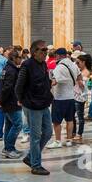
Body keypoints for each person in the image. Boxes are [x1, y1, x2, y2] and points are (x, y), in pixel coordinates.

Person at [16, 41, 54, 175]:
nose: (45, 53)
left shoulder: (43, 64)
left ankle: (30, 157)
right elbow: (19, 86)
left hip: (44, 103)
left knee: (48, 132)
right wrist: (21, 100)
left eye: (46, 50)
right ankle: (36, 165)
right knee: (35, 136)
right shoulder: (27, 65)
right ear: (34, 52)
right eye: (43, 50)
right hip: (32, 105)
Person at [0, 47, 26, 158]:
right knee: (18, 124)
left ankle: (8, 148)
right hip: (11, 103)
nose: (21, 59)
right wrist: (2, 100)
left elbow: (2, 86)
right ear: (13, 58)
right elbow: (7, 88)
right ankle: (9, 148)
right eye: (19, 57)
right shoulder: (11, 70)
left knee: (9, 125)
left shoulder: (8, 68)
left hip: (8, 102)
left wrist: (1, 99)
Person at [51, 47, 81, 146]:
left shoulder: (59, 67)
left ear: (59, 56)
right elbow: (79, 76)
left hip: (60, 98)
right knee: (70, 119)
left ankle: (58, 141)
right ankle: (69, 140)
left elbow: (54, 82)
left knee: (56, 121)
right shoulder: (73, 65)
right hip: (71, 97)